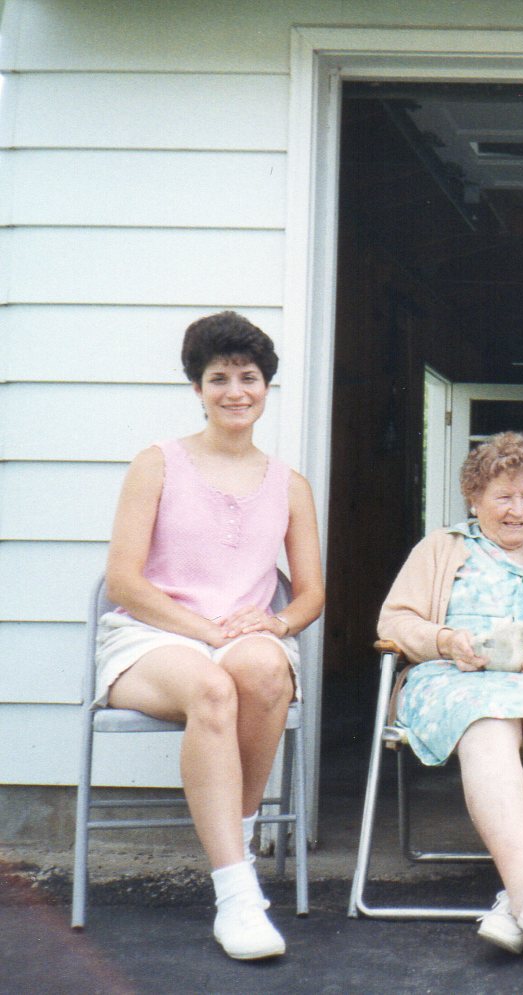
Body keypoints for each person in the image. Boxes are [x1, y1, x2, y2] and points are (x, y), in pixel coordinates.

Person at [99, 312, 324, 961]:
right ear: (197, 387)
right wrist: (200, 627)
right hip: (151, 639)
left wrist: (278, 622)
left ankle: (239, 845)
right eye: (218, 377)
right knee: (211, 686)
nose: (234, 390)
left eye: (247, 377)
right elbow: (123, 578)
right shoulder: (158, 463)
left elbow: (310, 592)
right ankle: (236, 894)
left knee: (261, 671)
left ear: (265, 386)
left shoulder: (290, 484)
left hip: (241, 636)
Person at [378, 431, 523, 956]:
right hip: (457, 679)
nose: (517, 510)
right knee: (488, 724)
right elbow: (394, 620)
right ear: (474, 498)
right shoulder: (441, 548)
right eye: (504, 496)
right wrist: (445, 639)